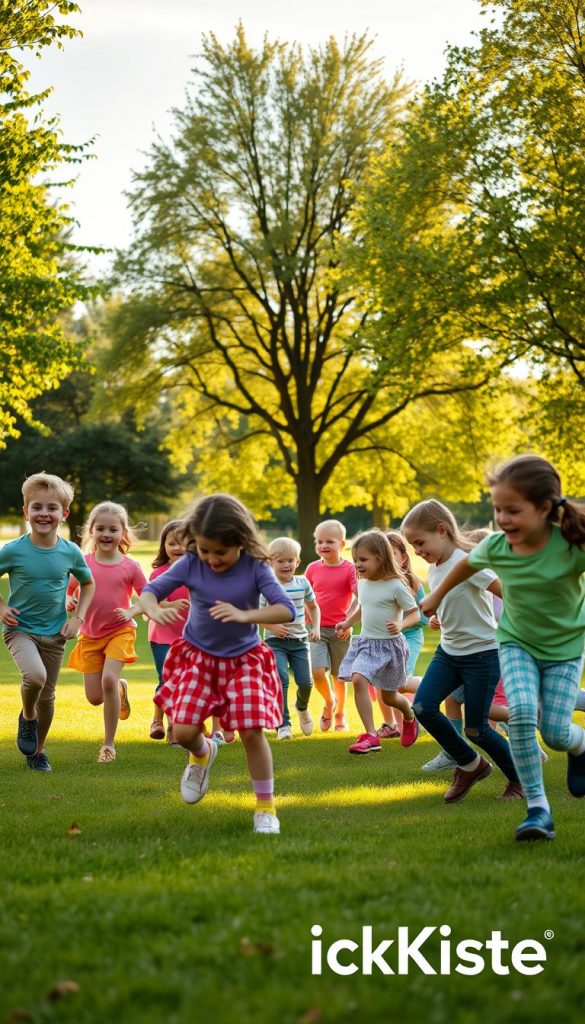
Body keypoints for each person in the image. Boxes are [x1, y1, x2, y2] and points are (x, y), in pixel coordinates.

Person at [420, 456, 585, 842]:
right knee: (523, 713)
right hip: (515, 643)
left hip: (564, 650)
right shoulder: (497, 545)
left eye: (513, 510)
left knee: (557, 733)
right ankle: (538, 810)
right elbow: (465, 565)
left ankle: (579, 746)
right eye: (498, 510)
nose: (503, 519)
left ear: (545, 508)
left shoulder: (571, 545)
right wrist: (436, 597)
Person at [135, 493, 296, 835]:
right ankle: (202, 753)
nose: (211, 559)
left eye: (220, 552)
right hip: (199, 659)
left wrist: (245, 615)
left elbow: (285, 609)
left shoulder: (255, 566)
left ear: (240, 541)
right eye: (205, 550)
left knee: (252, 731)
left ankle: (266, 809)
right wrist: (154, 609)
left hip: (245, 660)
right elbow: (149, 591)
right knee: (184, 732)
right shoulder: (192, 562)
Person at [402, 499, 521, 805]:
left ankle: (519, 780)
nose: (417, 550)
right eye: (413, 545)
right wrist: (440, 618)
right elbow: (452, 603)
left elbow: (506, 593)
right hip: (448, 652)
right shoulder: (434, 566)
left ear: (441, 530)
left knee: (477, 728)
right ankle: (470, 765)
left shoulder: (468, 561)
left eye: (419, 542)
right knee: (423, 707)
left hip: (482, 655)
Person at [0, 472, 95, 771]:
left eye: (52, 508)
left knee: (48, 696)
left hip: (56, 633)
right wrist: (1, 607)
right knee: (35, 678)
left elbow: (88, 584)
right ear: (26, 512)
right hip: (20, 630)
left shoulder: (70, 551)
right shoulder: (14, 550)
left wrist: (78, 618)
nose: (44, 513)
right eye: (37, 507)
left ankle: (38, 752)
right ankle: (27, 716)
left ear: (63, 513)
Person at [67, 501, 146, 763]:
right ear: (90, 531)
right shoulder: (83, 562)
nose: (106, 534)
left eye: (113, 529)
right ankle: (120, 690)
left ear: (123, 533)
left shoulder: (130, 566)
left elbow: (147, 598)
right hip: (89, 634)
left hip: (120, 631)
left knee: (107, 680)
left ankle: (108, 745)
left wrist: (133, 612)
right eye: (100, 528)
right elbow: (67, 591)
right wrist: (68, 600)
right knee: (94, 697)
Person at [335, 529, 420, 754]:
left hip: (390, 647)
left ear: (379, 558)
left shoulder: (396, 585)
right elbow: (363, 608)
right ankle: (371, 735)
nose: (358, 565)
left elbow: (414, 614)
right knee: (358, 678)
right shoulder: (363, 584)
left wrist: (401, 625)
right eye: (355, 560)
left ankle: (409, 716)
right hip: (366, 643)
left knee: (390, 696)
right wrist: (347, 623)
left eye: (363, 559)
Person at [260, 537, 320, 739]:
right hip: (275, 642)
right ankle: (283, 725)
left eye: (290, 560)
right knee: (280, 678)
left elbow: (313, 606)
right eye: (280, 561)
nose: (286, 565)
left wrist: (316, 627)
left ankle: (301, 708)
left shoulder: (302, 582)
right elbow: (258, 614)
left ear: (297, 562)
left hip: (300, 641)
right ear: (270, 563)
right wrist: (273, 627)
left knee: (306, 682)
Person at [374, 531, 429, 739]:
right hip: (383, 640)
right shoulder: (374, 582)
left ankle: (435, 685)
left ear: (403, 557)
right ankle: (392, 725)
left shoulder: (413, 582)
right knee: (379, 681)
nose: (386, 558)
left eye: (392, 553)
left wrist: (403, 621)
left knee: (400, 680)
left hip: (410, 637)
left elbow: (422, 618)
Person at [305, 520, 358, 732]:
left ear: (342, 544)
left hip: (340, 631)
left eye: (330, 541)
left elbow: (359, 597)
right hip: (315, 629)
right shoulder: (312, 568)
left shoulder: (349, 569)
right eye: (319, 541)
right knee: (317, 671)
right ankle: (329, 703)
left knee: (339, 676)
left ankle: (340, 715)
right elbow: (304, 597)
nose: (323, 545)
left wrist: (349, 622)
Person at [146, 520, 190, 743]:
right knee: (167, 679)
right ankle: (171, 727)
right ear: (164, 546)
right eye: (172, 543)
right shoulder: (158, 574)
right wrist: (169, 605)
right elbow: (152, 601)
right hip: (162, 635)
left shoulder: (199, 573)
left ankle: (160, 719)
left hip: (190, 638)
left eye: (183, 543)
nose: (177, 547)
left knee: (182, 681)